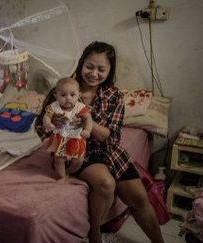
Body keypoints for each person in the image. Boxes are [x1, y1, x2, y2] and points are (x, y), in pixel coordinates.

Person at [37, 41, 164, 243]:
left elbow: (111, 137)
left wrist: (87, 120)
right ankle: (94, 232)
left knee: (140, 198)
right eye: (89, 66)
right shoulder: (64, 88)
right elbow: (40, 125)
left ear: (109, 70)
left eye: (101, 69)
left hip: (108, 151)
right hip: (76, 149)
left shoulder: (113, 95)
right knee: (106, 183)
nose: (93, 73)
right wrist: (52, 123)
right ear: (81, 63)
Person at [42, 77, 93, 180]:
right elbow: (46, 116)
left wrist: (87, 130)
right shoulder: (54, 106)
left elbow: (88, 119)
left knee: (78, 160)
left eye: (72, 95)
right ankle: (62, 176)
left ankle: (68, 171)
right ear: (56, 96)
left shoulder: (80, 107)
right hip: (60, 137)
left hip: (76, 137)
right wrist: (48, 123)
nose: (68, 98)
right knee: (59, 159)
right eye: (63, 95)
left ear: (79, 95)